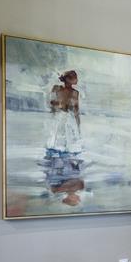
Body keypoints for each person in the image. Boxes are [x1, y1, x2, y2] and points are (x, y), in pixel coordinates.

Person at [43, 70, 84, 206]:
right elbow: (50, 105)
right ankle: (58, 159)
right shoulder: (56, 88)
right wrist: (58, 105)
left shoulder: (75, 93)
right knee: (57, 145)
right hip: (59, 118)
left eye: (76, 78)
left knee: (69, 147)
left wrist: (78, 126)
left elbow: (76, 109)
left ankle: (62, 159)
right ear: (67, 79)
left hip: (69, 119)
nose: (75, 80)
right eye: (73, 78)